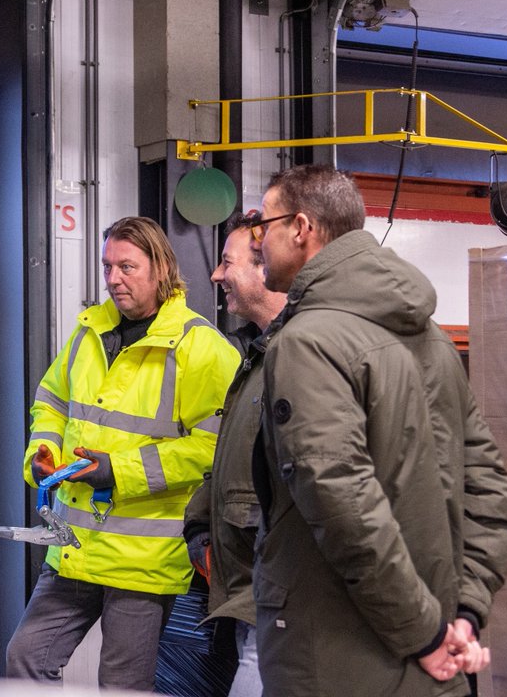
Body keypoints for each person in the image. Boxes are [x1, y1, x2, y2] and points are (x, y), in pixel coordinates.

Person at [250, 165, 507, 696]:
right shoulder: (433, 339)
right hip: (436, 665)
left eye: (264, 225)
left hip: (337, 663)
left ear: (302, 228)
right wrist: (463, 615)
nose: (258, 241)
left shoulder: (308, 343)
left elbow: (342, 506)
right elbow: (493, 494)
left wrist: (423, 634)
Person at [5, 216, 239, 691]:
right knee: (24, 658)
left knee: (121, 686)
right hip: (73, 547)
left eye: (127, 267)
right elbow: (49, 401)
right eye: (108, 266)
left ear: (161, 269)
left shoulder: (202, 349)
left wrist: (119, 471)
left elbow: (216, 447)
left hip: (142, 559)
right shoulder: (89, 332)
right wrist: (43, 451)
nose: (113, 278)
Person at [182, 211, 287, 697]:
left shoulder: (298, 357)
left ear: (265, 267)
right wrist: (201, 523)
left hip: (277, 596)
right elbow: (232, 457)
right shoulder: (256, 355)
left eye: (227, 262)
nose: (215, 274)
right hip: (245, 589)